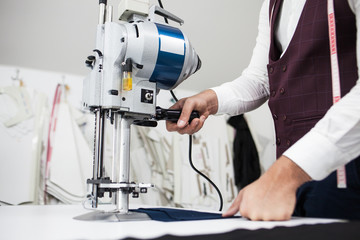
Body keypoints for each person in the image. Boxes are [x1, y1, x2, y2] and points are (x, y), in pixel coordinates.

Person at [166, 0, 360, 221]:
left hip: (346, 173)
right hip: (294, 186)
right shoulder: (272, 4)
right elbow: (261, 79)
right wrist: (209, 100)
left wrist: (285, 174)